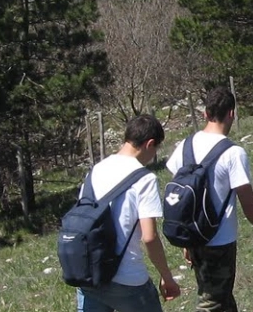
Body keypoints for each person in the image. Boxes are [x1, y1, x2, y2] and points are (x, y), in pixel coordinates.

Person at [165, 87, 253, 312]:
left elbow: (181, 194)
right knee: (212, 302)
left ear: (205, 114)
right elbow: (247, 200)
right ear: (232, 114)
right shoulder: (233, 153)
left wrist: (187, 239)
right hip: (219, 240)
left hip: (194, 234)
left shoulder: (185, 145)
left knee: (221, 297)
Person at [76, 115, 181, 312]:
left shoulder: (94, 172)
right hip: (127, 279)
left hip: (89, 274)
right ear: (150, 144)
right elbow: (149, 237)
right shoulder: (144, 179)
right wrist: (167, 277)